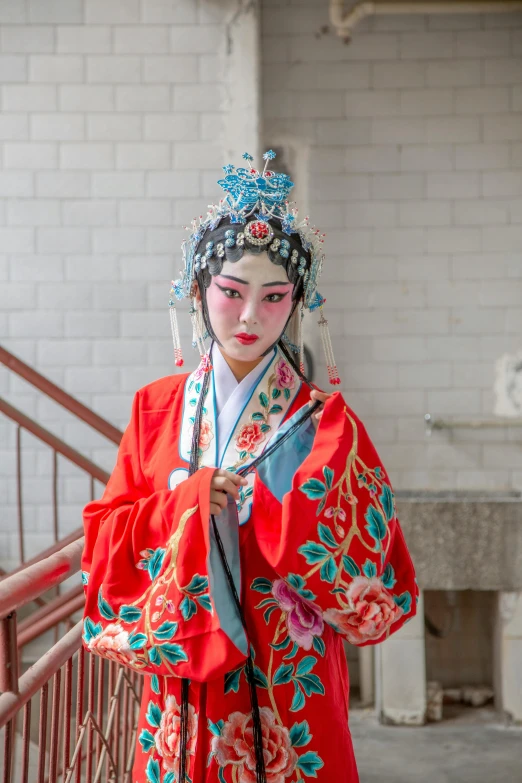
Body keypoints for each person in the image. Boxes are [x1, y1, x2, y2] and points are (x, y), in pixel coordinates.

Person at [81, 151, 418, 783]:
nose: (247, 316)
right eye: (231, 292)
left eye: (272, 298)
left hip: (291, 665)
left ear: (296, 303)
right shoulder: (156, 408)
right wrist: (186, 505)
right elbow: (104, 539)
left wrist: (266, 510)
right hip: (188, 671)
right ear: (199, 290)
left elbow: (371, 563)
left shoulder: (327, 423)